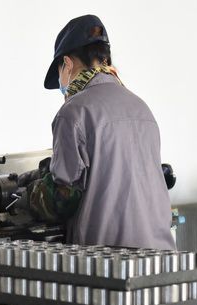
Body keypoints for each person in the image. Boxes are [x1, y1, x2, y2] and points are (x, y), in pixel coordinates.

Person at [37, 14, 176, 250]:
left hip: (109, 259)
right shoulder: (141, 107)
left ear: (67, 64)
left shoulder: (73, 112)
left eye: (59, 72)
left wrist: (28, 197)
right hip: (160, 255)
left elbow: (63, 198)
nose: (61, 83)